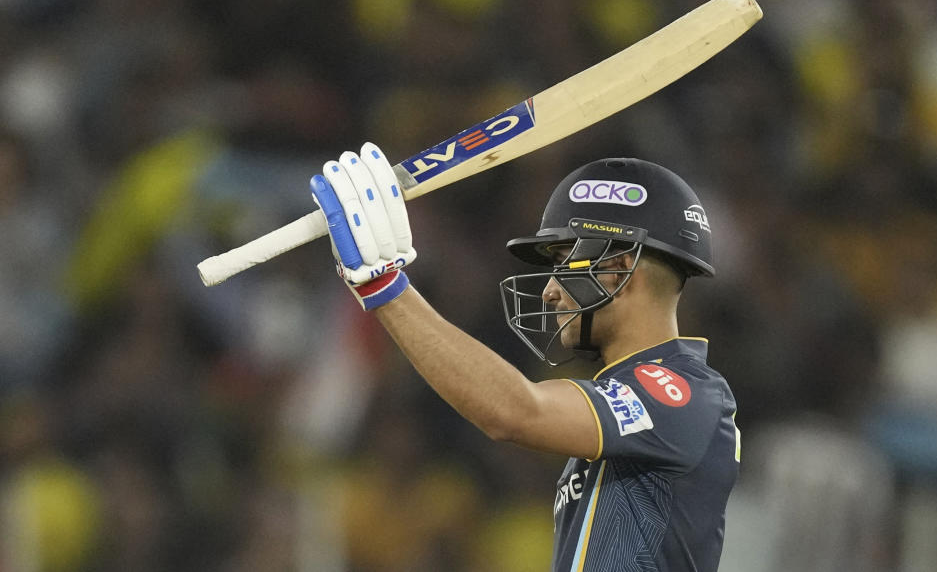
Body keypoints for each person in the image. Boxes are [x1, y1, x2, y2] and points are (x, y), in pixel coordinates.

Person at [309, 143, 740, 572]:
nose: (550, 291)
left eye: (564, 261)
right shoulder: (643, 400)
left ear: (619, 267)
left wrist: (385, 290)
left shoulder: (682, 393)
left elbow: (515, 411)